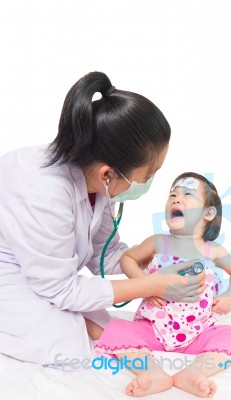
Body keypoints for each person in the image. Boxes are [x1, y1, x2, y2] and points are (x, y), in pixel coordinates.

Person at [0, 72, 206, 369]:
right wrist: (152, 286)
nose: (149, 182)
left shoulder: (98, 180)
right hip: (10, 271)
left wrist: (155, 261)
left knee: (98, 317)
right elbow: (63, 290)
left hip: (42, 271)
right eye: (148, 174)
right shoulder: (42, 191)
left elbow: (104, 253)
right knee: (65, 340)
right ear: (108, 174)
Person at [95, 172, 231, 398]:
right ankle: (152, 373)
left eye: (187, 195)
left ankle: (194, 373)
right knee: (116, 328)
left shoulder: (212, 250)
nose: (176, 199)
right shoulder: (158, 242)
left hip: (198, 332)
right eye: (172, 195)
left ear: (208, 213)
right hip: (153, 328)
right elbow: (127, 258)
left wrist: (230, 295)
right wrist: (144, 283)